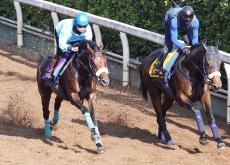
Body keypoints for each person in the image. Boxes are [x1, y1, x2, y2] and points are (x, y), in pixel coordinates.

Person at [153, 6, 199, 81]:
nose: (187, 22)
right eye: (185, 21)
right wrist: (183, 47)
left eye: (188, 21)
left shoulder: (195, 22)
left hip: (183, 27)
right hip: (169, 22)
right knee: (168, 48)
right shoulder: (173, 20)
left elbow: (195, 39)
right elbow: (173, 39)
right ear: (181, 17)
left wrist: (194, 48)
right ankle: (158, 67)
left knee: (190, 45)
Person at [44, 12, 93, 81]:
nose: (82, 28)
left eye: (84, 26)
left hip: (77, 38)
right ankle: (49, 71)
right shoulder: (66, 28)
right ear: (75, 24)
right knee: (60, 52)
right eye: (79, 26)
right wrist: (71, 48)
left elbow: (88, 43)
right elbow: (62, 45)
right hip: (62, 34)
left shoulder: (88, 29)